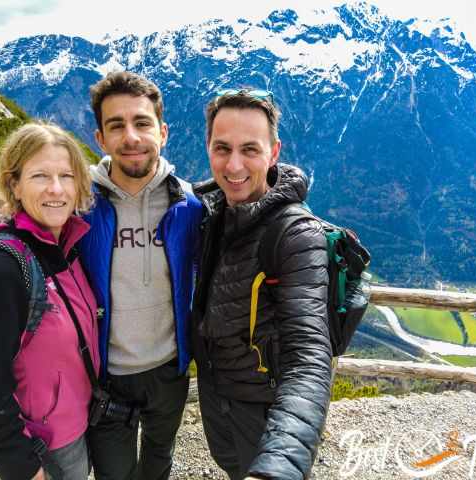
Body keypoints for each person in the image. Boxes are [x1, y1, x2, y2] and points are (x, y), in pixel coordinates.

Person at [191, 89, 333, 480]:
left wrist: (278, 466)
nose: (234, 165)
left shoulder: (295, 235)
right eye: (222, 148)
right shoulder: (209, 212)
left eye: (250, 150)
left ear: (274, 152)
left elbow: (308, 358)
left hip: (267, 415)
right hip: (220, 404)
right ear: (208, 148)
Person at [78, 71, 202, 480]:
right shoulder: (80, 211)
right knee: (114, 474)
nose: (131, 136)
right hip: (106, 376)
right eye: (117, 125)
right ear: (100, 138)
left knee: (158, 461)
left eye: (142, 123)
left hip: (170, 368)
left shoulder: (189, 207)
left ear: (162, 132)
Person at [0, 122, 100, 480]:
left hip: (75, 429)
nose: (56, 189)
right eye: (40, 176)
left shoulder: (67, 248)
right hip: (42, 450)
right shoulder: (1, 269)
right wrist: (25, 470)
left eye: (67, 176)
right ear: (15, 185)